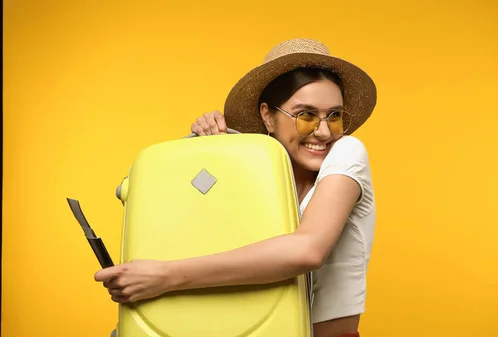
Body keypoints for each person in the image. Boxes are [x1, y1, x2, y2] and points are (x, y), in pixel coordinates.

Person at [95, 38, 377, 337]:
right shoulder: (252, 171)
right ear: (268, 116)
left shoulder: (347, 152)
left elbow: (307, 250)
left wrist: (164, 276)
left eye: (334, 116)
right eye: (305, 115)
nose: (323, 131)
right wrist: (211, 151)